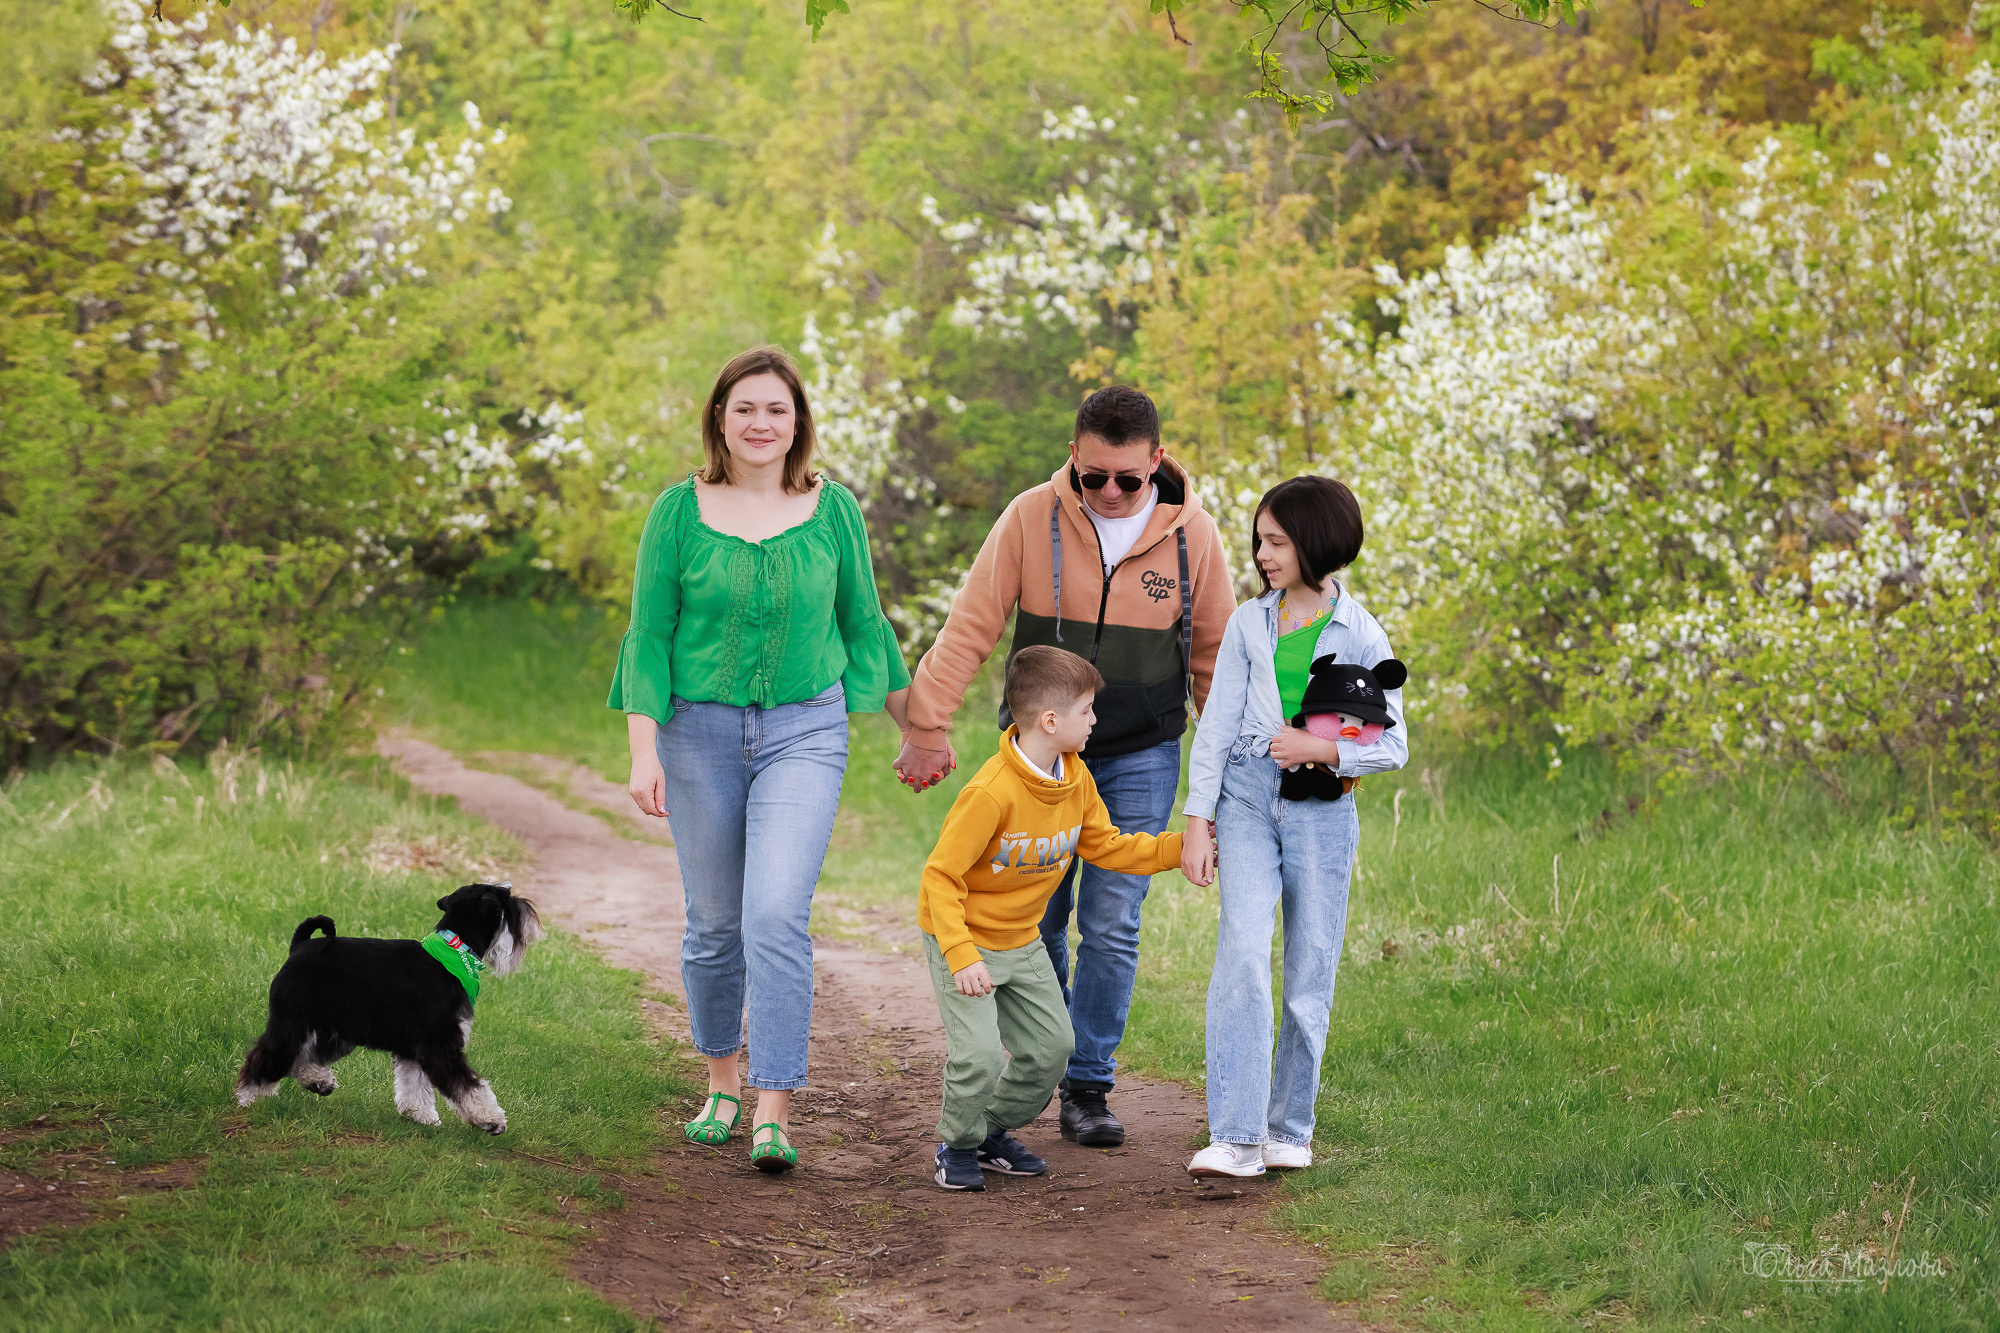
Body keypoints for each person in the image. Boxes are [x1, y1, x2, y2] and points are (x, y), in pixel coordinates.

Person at [895, 384, 1233, 1148]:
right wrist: (926, 721)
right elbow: (972, 624)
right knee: (1036, 918)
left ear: (1156, 463)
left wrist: (1228, 783)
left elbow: (1215, 663)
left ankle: (1087, 1084)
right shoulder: (1029, 518)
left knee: (1112, 924)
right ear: (1074, 458)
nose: (1110, 494)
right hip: (1039, 755)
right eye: (1093, 477)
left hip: (1141, 751)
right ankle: (1036, 1064)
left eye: (1128, 479)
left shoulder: (1194, 538)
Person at [611, 344, 912, 1174]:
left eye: (776, 409)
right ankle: (720, 1082)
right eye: (744, 407)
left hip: (804, 731)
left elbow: (863, 625)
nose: (760, 423)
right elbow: (651, 635)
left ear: (797, 422)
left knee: (774, 912)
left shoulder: (832, 508)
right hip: (696, 732)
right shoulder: (678, 511)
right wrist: (644, 750)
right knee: (714, 924)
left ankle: (774, 1106)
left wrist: (917, 727)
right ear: (719, 417)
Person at [1178, 475, 1408, 1178]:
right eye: (1259, 539)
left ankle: (1289, 1128)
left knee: (1309, 967)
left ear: (1315, 543)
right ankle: (1237, 1134)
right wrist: (1198, 816)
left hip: (1323, 810)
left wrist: (1323, 748)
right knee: (1243, 951)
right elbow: (1216, 722)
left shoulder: (1362, 633)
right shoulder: (1251, 622)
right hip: (1248, 795)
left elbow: (1393, 743)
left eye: (1276, 541)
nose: (1261, 553)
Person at [918, 646, 1187, 1191]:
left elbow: (1106, 846)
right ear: (1050, 720)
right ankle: (958, 1143)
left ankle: (989, 1132)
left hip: (1020, 941)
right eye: (1087, 710)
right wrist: (961, 955)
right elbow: (939, 878)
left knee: (1051, 1050)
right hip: (965, 940)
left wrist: (1181, 849)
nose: (1095, 720)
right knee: (977, 1058)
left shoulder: (1075, 777)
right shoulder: (990, 793)